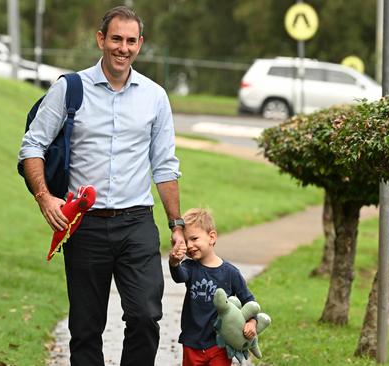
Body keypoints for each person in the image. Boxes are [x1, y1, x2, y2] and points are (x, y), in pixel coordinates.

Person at [18, 6, 185, 366]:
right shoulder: (69, 89)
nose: (122, 48)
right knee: (86, 328)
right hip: (85, 225)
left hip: (136, 223)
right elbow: (32, 146)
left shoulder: (155, 97)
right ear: (100, 39)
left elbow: (165, 165)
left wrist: (177, 225)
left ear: (140, 44)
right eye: (115, 39)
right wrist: (45, 198)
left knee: (145, 315)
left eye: (130, 41)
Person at [169, 208, 257, 366]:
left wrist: (252, 322)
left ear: (212, 237)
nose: (189, 245)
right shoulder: (189, 267)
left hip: (219, 343)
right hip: (192, 342)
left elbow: (248, 300)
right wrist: (174, 263)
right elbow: (178, 277)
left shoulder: (230, 273)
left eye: (194, 238)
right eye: (185, 241)